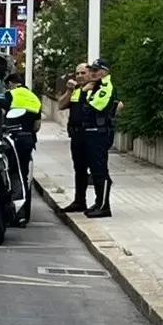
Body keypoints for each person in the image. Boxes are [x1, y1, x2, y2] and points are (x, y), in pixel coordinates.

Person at [74, 60, 117, 218]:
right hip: (90, 133)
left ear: (104, 72)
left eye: (96, 70)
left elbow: (90, 109)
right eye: (91, 70)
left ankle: (104, 206)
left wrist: (84, 93)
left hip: (99, 134)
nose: (92, 73)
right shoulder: (96, 86)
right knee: (93, 169)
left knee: (100, 171)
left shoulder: (105, 88)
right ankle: (99, 202)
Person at [3, 70, 42, 226]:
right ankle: (21, 214)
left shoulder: (10, 95)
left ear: (11, 84)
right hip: (27, 139)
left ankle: (6, 208)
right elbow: (37, 126)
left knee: (7, 171)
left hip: (10, 140)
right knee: (22, 174)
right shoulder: (34, 98)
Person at [58, 62, 94, 212]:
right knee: (79, 169)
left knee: (96, 170)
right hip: (77, 135)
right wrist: (68, 91)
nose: (79, 76)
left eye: (83, 73)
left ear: (91, 74)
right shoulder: (76, 91)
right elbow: (61, 105)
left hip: (92, 135)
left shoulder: (96, 89)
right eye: (77, 73)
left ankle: (100, 203)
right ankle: (80, 201)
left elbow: (117, 105)